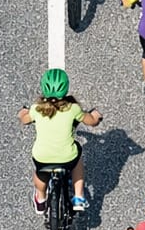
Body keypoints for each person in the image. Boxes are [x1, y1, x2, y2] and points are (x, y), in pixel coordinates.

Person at [19, 67, 102, 213]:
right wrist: (96, 115)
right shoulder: (73, 109)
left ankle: (41, 199)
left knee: (40, 173)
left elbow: (25, 119)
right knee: (77, 159)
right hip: (66, 158)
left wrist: (23, 112)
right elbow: (92, 121)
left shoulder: (36, 109)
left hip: (42, 156)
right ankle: (78, 196)